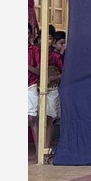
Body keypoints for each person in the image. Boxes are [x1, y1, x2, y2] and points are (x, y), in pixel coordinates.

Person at [28, 23, 61, 162]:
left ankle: (43, 151)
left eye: (49, 38)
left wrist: (51, 78)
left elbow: (41, 71)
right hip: (36, 87)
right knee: (33, 119)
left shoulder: (39, 52)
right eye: (43, 38)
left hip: (38, 87)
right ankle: (40, 151)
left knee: (46, 119)